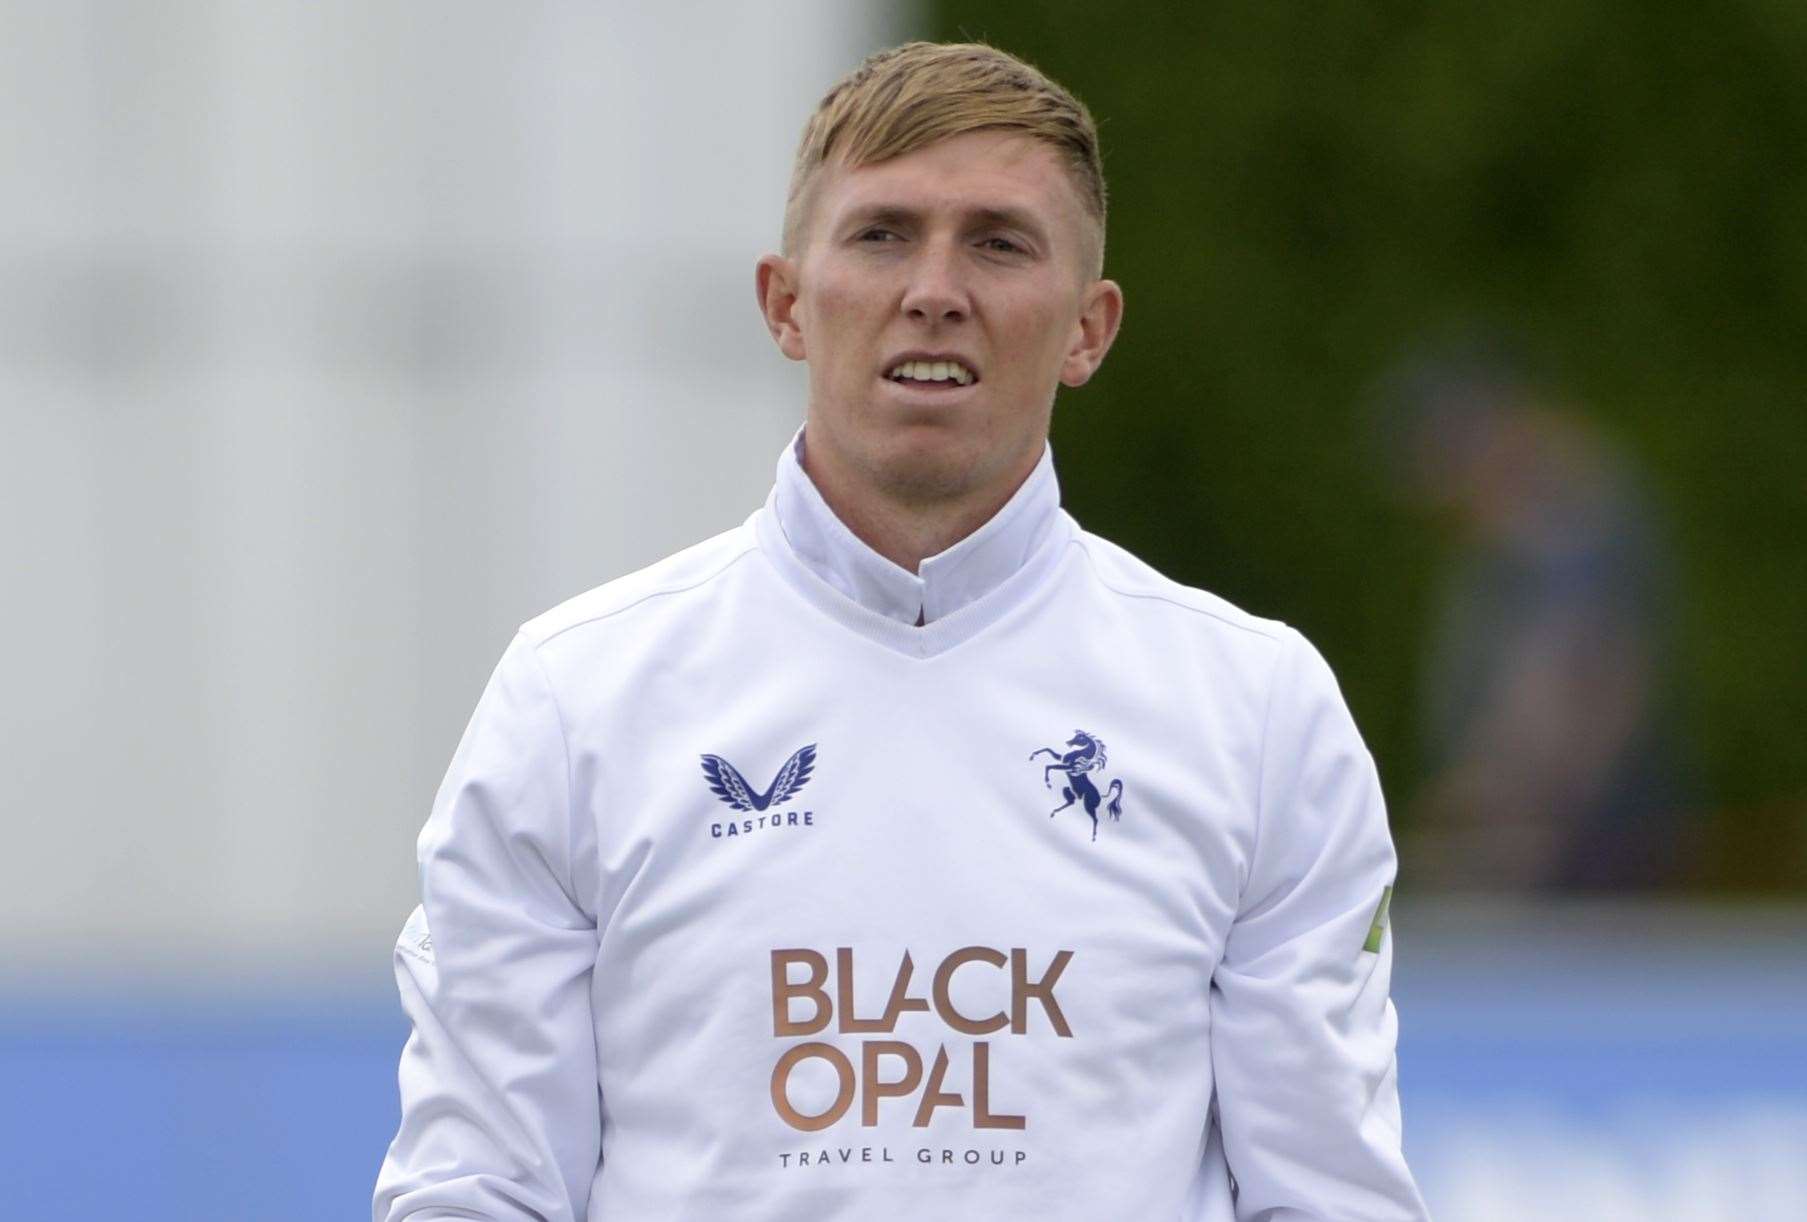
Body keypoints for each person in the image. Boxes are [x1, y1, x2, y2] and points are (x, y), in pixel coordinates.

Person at [374, 40, 1429, 1222]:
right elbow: (477, 1188)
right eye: (881, 233)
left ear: (1088, 329)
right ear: (785, 303)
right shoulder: (576, 699)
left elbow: (1329, 1197)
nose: (935, 287)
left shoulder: (1255, 711)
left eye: (997, 240)